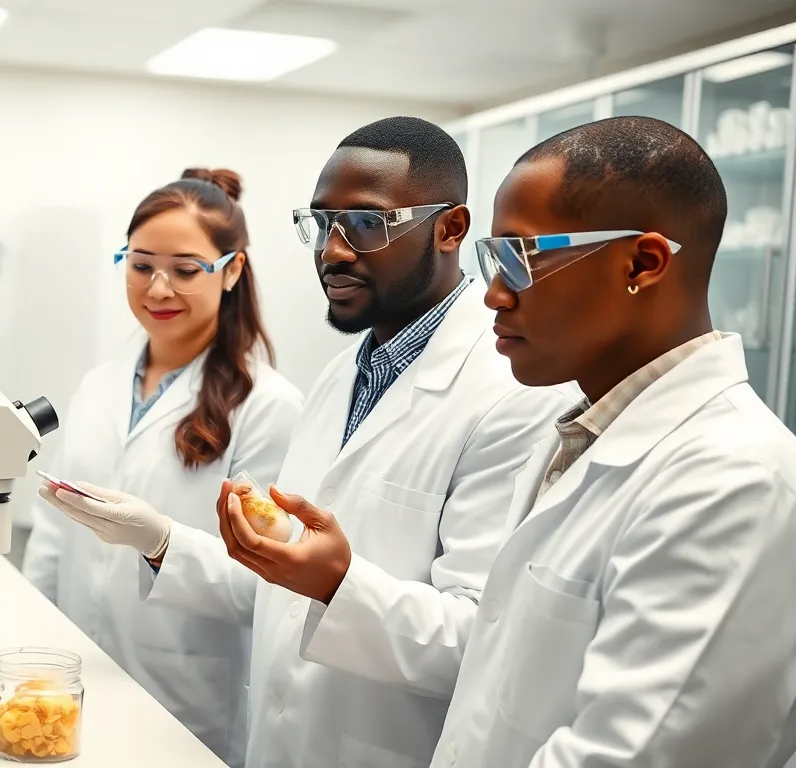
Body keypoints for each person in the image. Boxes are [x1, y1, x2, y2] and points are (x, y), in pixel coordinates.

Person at [36, 118, 573, 768]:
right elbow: (275, 589)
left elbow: (481, 639)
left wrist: (336, 583)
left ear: (451, 228)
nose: (334, 251)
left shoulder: (508, 395)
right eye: (321, 224)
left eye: (368, 224)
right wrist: (160, 541)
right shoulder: (341, 377)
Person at [430, 116, 796, 768]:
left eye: (521, 259)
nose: (493, 294)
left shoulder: (735, 485)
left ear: (642, 263)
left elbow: (631, 756)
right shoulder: (581, 436)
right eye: (492, 260)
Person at [21, 168, 303, 767]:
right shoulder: (98, 387)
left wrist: (162, 546)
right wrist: (33, 654)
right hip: (70, 683)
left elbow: (267, 582)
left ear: (232, 271)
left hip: (184, 697)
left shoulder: (268, 406)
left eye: (185, 269)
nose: (157, 289)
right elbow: (53, 538)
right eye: (141, 264)